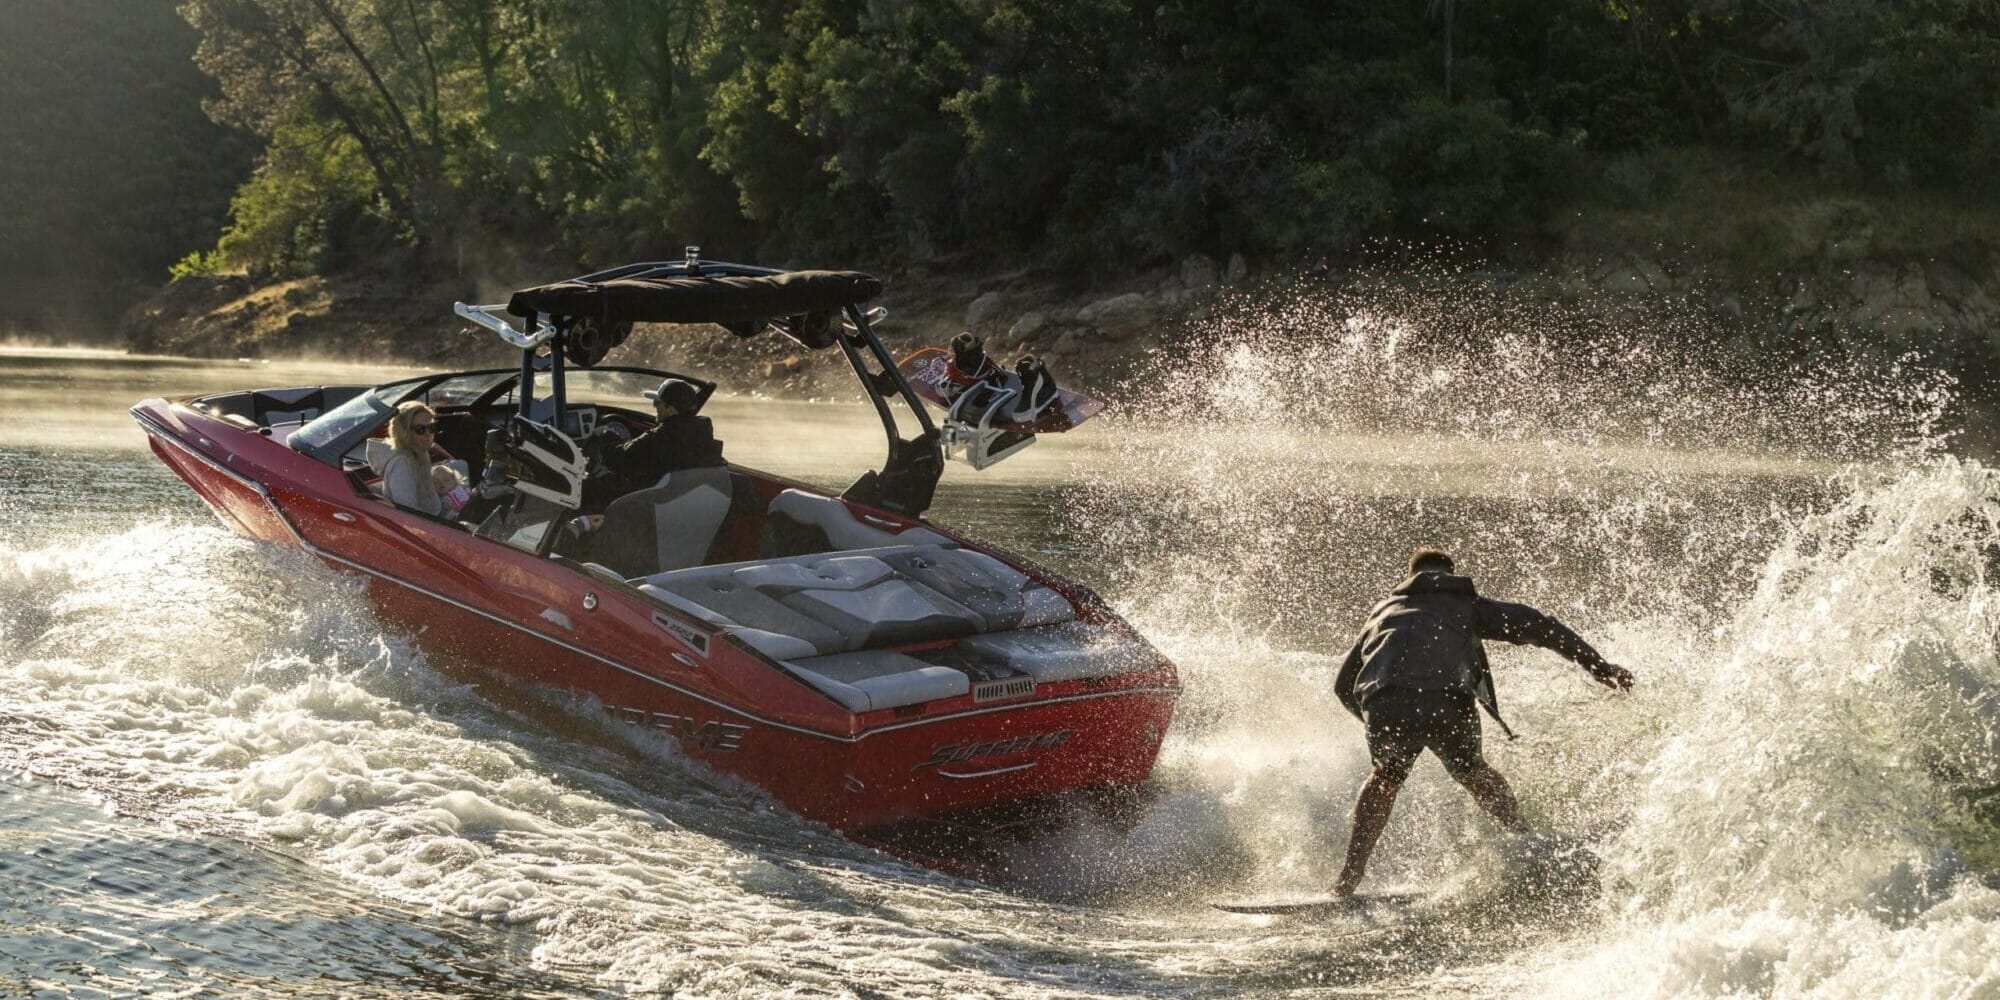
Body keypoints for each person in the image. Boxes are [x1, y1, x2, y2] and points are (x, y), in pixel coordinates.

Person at [1330, 547, 1634, 897]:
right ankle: (1524, 841)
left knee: (1385, 776)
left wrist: (1376, 718)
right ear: (1451, 574)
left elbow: (1343, 687)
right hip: (1446, 699)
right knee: (1472, 771)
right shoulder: (1466, 606)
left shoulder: (1382, 613)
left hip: (1385, 703)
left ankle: (1348, 877)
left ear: (1409, 577)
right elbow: (1542, 627)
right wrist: (1600, 667)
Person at [588, 377, 725, 506]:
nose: (655, 407)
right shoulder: (702, 433)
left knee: (592, 485)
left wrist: (606, 436)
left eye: (657, 403)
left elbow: (618, 457)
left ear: (671, 410)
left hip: (654, 505)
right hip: (687, 504)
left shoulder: (661, 435)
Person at [380, 401, 444, 515]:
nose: (428, 434)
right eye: (420, 429)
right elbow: (409, 513)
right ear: (403, 432)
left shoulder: (420, 454)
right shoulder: (401, 464)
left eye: (432, 427)